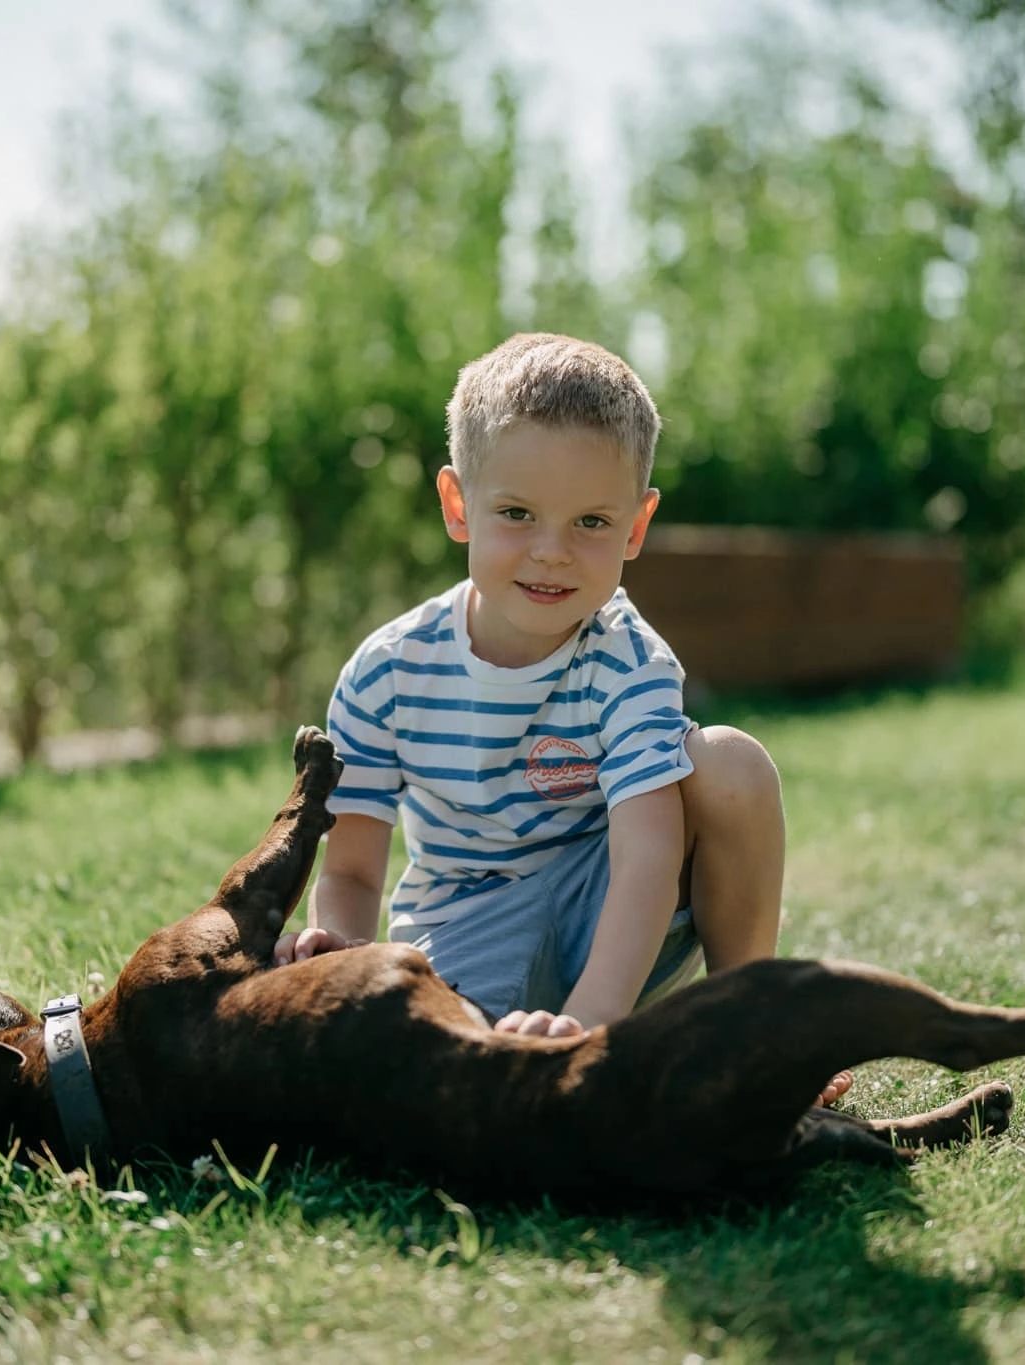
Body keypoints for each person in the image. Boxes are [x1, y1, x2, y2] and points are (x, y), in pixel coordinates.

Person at [275, 332, 849, 1104]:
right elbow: (348, 869)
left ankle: (748, 1032)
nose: (552, 552)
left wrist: (592, 1020)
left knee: (732, 764)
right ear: (458, 505)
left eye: (591, 523)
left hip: (613, 921)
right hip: (465, 923)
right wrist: (343, 954)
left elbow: (648, 856)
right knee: (452, 1075)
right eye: (516, 513)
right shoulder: (387, 671)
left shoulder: (628, 660)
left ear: (636, 527)